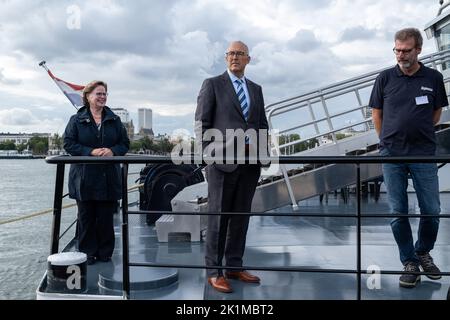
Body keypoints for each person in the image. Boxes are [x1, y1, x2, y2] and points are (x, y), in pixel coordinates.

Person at [369, 28, 448, 288]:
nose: (400, 55)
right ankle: (409, 262)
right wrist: (385, 142)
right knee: (397, 212)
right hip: (392, 154)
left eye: (405, 50)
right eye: (397, 50)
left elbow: (436, 113)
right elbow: (376, 113)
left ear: (418, 50)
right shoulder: (385, 78)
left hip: (424, 153)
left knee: (432, 210)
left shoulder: (434, 78)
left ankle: (423, 251)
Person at [195, 41, 269, 293]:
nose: (234, 57)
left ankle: (234, 266)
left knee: (240, 217)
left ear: (248, 59)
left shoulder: (256, 89)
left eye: (240, 54)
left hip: (249, 165)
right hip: (221, 164)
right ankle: (214, 272)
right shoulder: (213, 85)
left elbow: (262, 124)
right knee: (218, 217)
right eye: (231, 53)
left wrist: (263, 155)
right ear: (226, 58)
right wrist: (206, 156)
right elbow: (201, 123)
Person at [64, 80, 130, 265]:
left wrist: (113, 151)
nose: (102, 97)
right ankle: (87, 253)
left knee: (105, 217)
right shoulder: (76, 119)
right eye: (98, 94)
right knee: (86, 217)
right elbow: (69, 143)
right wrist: (90, 152)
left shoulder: (114, 120)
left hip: (108, 177)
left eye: (104, 94)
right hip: (84, 178)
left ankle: (105, 253)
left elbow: (124, 144)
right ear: (87, 96)